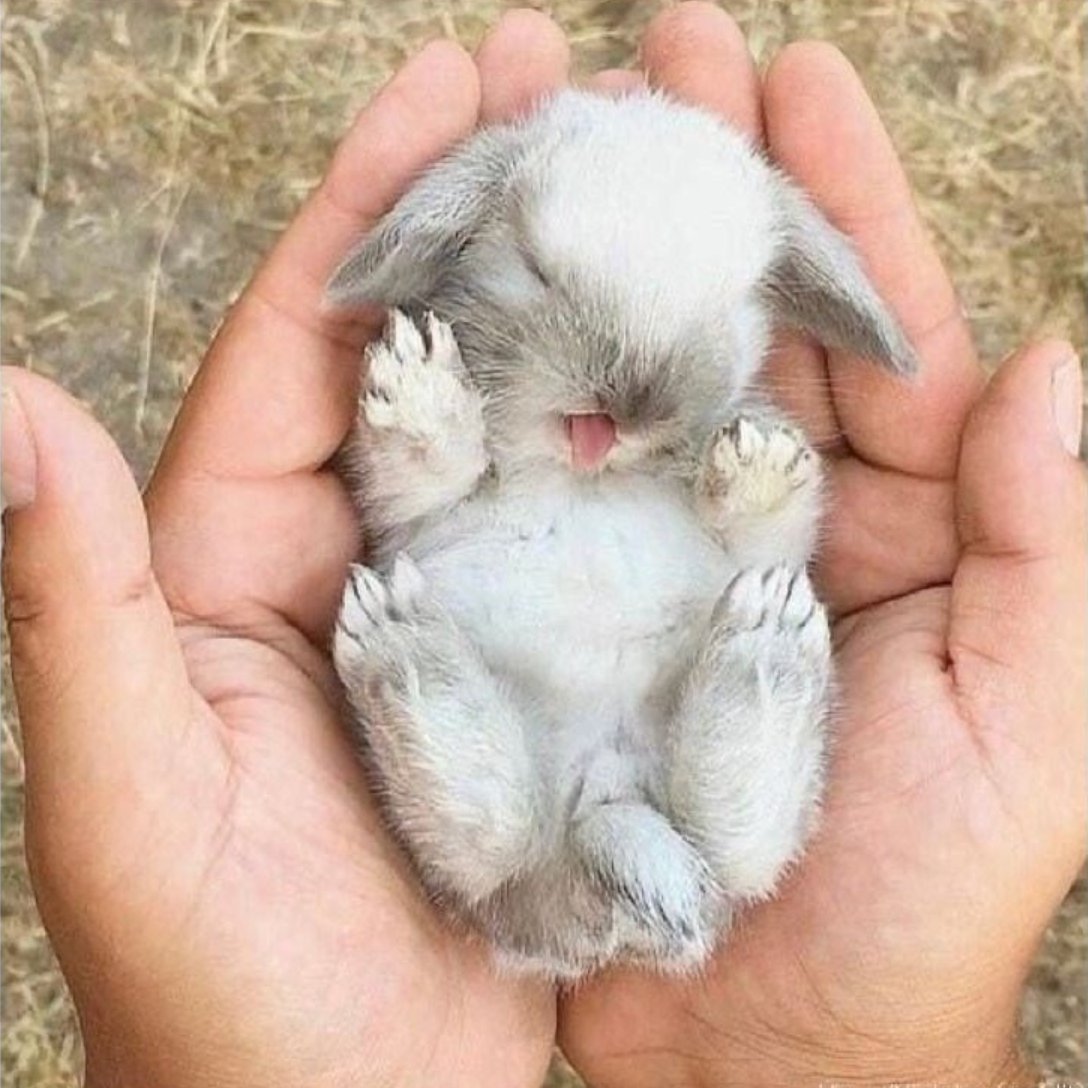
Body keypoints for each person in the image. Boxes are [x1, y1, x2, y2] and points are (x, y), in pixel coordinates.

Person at [3, 6, 1083, 1086]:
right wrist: (425, 432)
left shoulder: (715, 436)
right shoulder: (473, 393)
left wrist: (758, 507)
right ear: (476, 222)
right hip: (501, 717)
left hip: (680, 710)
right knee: (493, 841)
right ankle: (441, 720)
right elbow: (418, 503)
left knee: (741, 823)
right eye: (550, 282)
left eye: (710, 323)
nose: (626, 389)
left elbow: (767, 552)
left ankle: (741, 702)